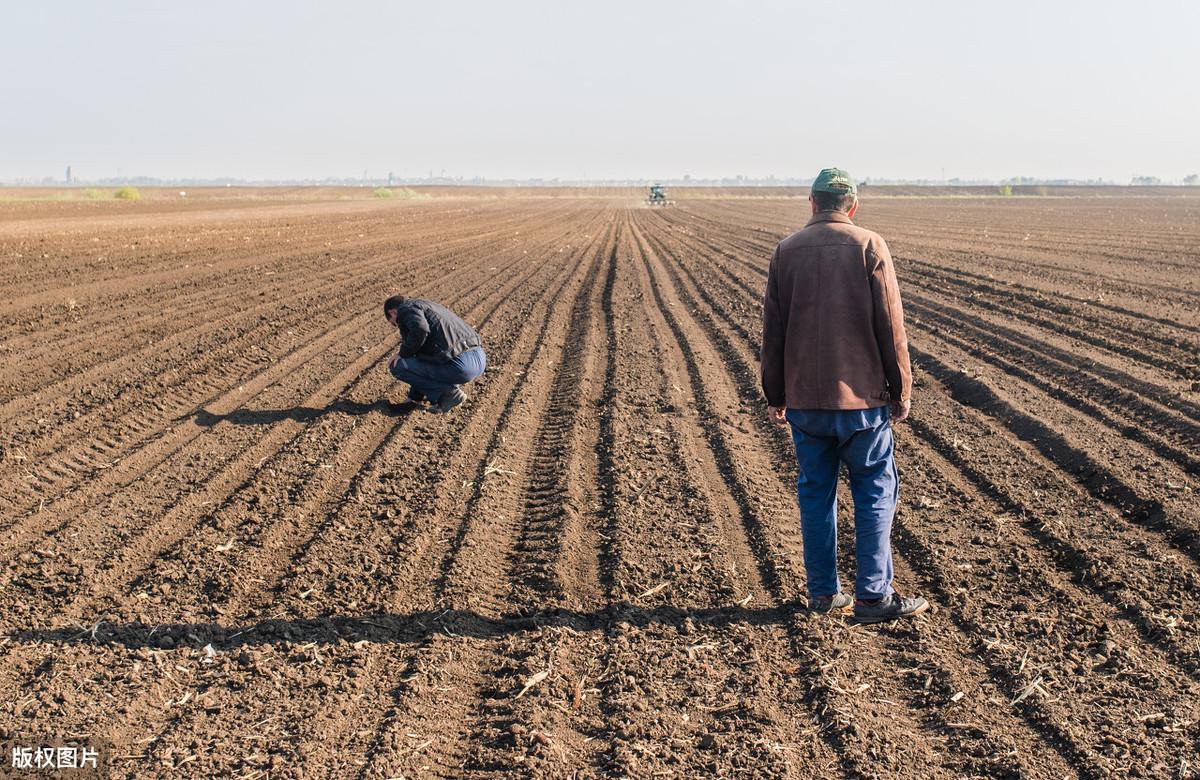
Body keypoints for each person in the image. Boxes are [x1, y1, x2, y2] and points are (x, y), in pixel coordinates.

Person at [760, 168, 929, 623]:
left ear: (812, 204)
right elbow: (890, 326)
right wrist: (901, 388)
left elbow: (773, 331)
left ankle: (822, 594)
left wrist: (774, 392)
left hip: (806, 403)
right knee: (875, 490)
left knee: (816, 492)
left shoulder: (786, 251)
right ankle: (874, 597)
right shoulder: (869, 245)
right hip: (863, 402)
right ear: (852, 206)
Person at [383, 295, 486, 413]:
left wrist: (403, 353)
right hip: (479, 359)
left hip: (461, 366)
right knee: (420, 359)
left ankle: (448, 393)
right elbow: (421, 357)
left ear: (392, 312)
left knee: (397, 365)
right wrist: (413, 398)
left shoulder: (405, 309)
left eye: (394, 324)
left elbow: (420, 329)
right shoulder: (429, 305)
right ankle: (436, 393)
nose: (398, 326)